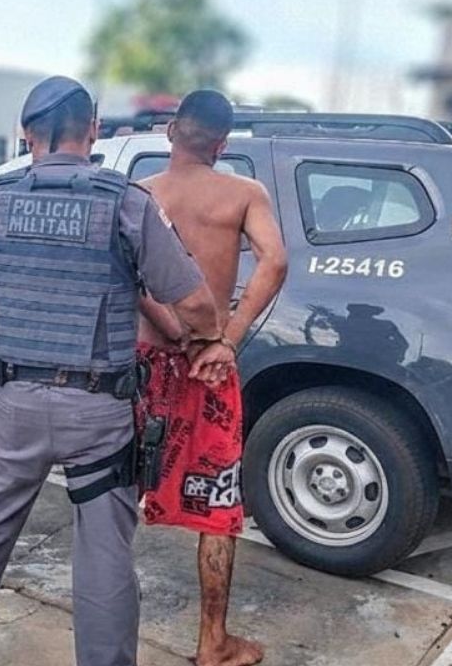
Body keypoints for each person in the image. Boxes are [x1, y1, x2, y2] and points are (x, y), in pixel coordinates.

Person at [0, 76, 222, 666]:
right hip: (99, 410)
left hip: (14, 405)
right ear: (93, 130)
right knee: (105, 556)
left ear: (26, 134)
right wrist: (209, 337)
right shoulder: (126, 202)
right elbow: (192, 302)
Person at [136, 90, 288, 666]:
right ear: (222, 145)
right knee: (218, 505)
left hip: (143, 363)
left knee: (116, 493)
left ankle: (107, 627)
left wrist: (168, 327)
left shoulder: (141, 195)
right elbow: (274, 260)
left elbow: (130, 278)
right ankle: (212, 643)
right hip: (208, 367)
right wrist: (225, 336)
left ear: (172, 131)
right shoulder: (244, 194)